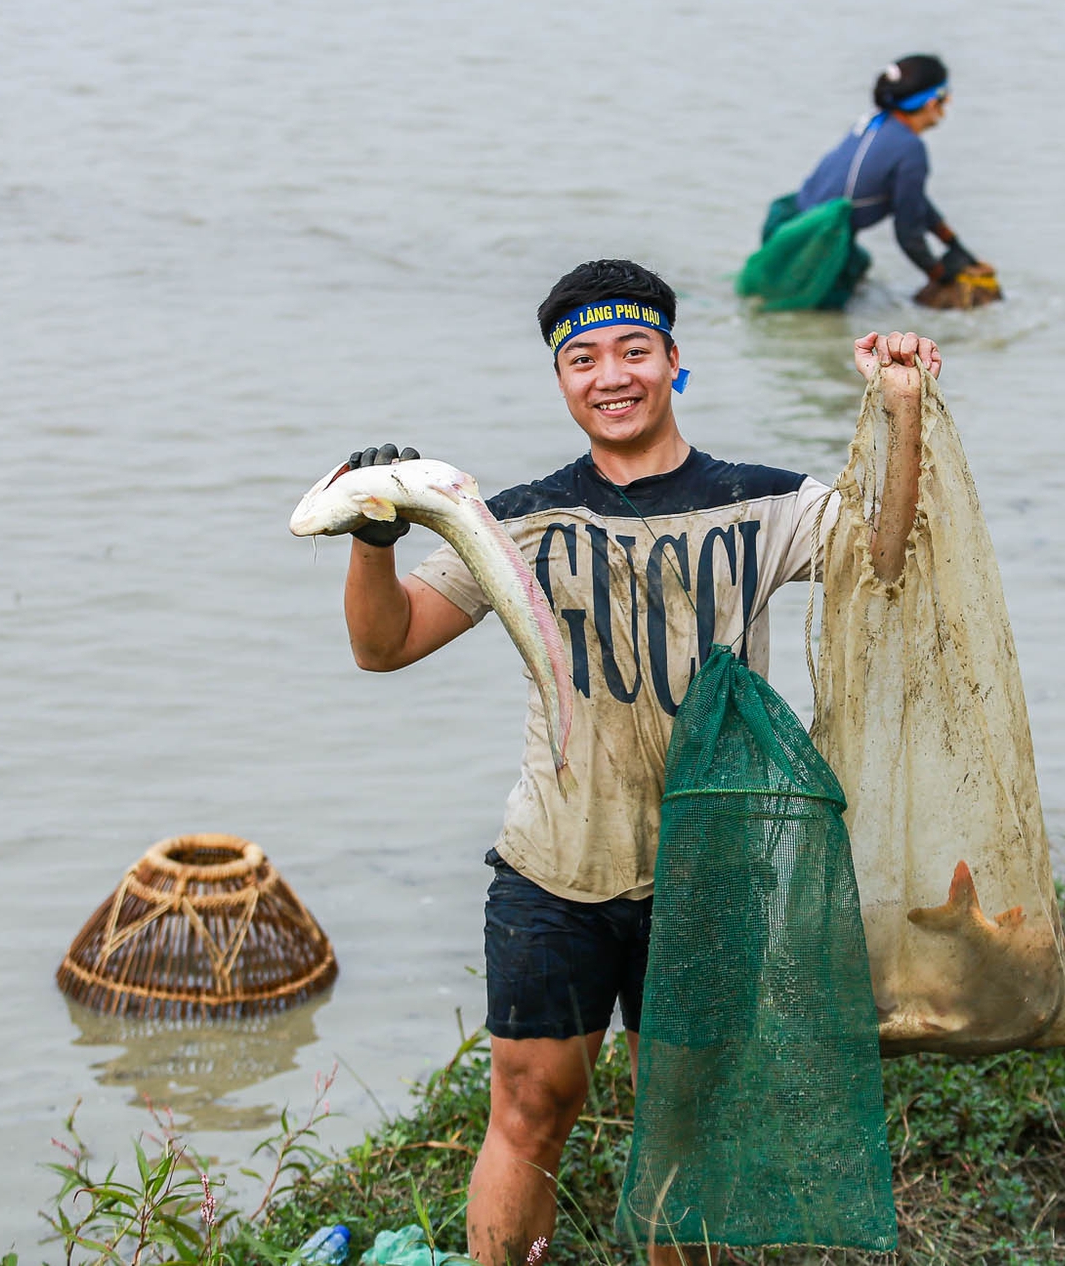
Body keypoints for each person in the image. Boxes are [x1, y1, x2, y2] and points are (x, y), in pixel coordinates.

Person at [334, 258, 936, 1266]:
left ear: (671, 364)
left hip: (708, 882)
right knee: (530, 1108)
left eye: (631, 350)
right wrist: (373, 533)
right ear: (560, 381)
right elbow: (383, 644)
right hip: (552, 868)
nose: (608, 374)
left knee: (688, 1133)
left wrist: (898, 407)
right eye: (581, 358)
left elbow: (884, 551)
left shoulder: (760, 504)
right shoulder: (515, 522)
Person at [742, 54, 984, 310]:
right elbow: (908, 235)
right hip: (819, 244)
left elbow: (914, 201)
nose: (950, 102)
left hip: (796, 223)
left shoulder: (873, 120)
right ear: (933, 103)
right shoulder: (911, 150)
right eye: (947, 95)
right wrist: (943, 277)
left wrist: (955, 246)